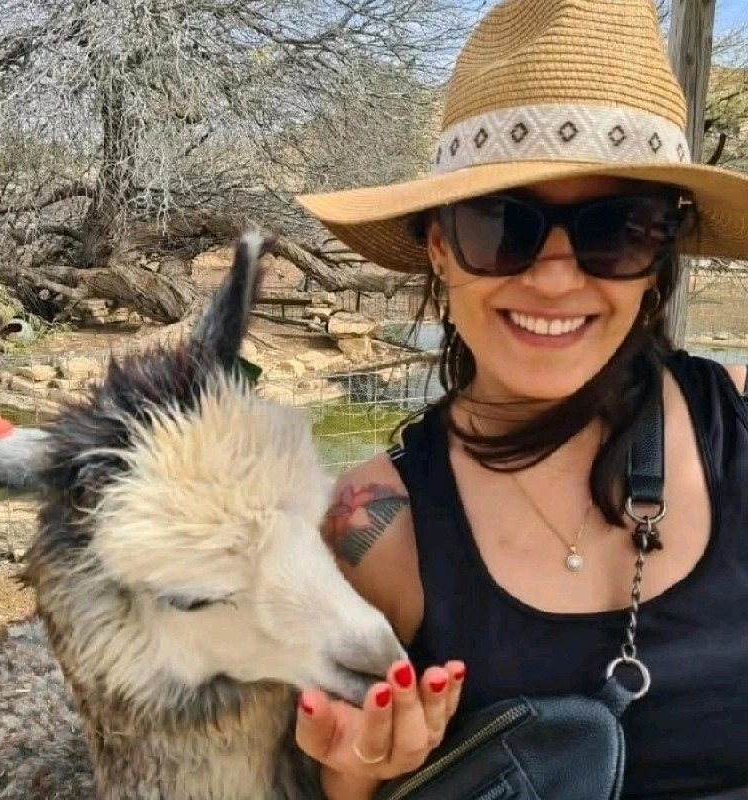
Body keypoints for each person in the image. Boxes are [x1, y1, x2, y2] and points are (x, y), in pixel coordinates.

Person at [292, 0, 748, 797]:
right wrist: (355, 775)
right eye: (502, 225)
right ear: (440, 247)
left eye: (617, 227)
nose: (555, 279)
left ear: (660, 255)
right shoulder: (370, 528)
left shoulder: (737, 426)